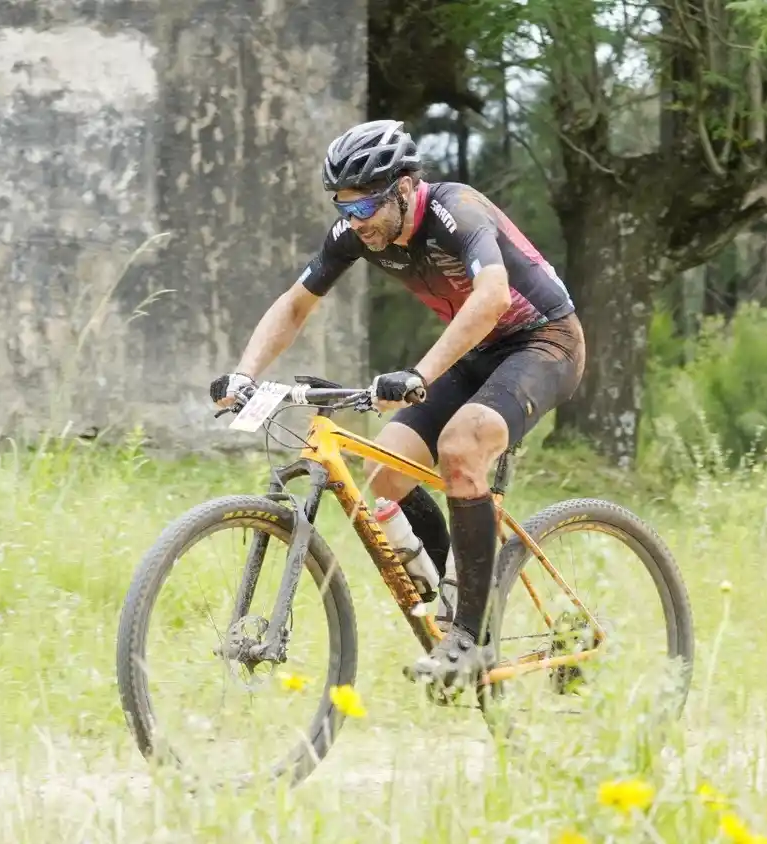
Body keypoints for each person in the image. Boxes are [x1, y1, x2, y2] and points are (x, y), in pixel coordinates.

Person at [209, 118, 585, 689]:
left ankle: (471, 637)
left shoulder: (456, 209)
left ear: (405, 190)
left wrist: (418, 374)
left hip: (544, 342)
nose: (354, 223)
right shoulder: (355, 232)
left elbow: (490, 298)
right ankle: (453, 598)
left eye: (365, 209)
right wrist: (243, 375)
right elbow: (293, 306)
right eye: (343, 207)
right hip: (476, 350)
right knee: (383, 472)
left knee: (462, 446)